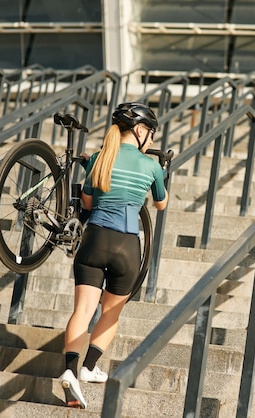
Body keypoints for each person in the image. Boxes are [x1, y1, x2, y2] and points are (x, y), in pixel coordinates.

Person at [58, 102, 169, 409]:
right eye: (151, 132)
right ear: (141, 131)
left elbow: (89, 203)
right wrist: (162, 174)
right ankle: (91, 367)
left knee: (82, 311)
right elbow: (161, 204)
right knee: (110, 313)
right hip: (127, 246)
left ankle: (70, 370)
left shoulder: (99, 158)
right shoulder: (151, 166)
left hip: (93, 241)